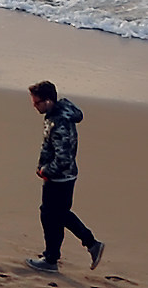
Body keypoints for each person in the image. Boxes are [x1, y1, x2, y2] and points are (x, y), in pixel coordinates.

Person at [26, 80, 105, 272]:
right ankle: (54, 256)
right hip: (61, 177)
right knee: (55, 215)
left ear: (48, 101)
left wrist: (45, 171)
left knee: (53, 215)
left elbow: (64, 158)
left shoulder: (60, 122)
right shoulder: (55, 115)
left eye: (37, 103)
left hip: (60, 178)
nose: (34, 106)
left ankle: (64, 254)